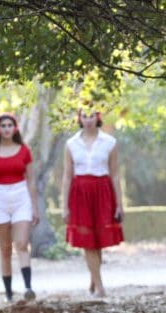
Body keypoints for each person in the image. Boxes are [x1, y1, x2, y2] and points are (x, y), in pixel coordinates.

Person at [62, 108, 124, 297]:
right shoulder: (71, 144)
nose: (88, 120)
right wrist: (64, 205)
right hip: (80, 192)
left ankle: (93, 277)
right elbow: (67, 176)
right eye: (84, 116)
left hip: (102, 190)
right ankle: (100, 287)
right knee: (87, 239)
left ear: (98, 117)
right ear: (79, 118)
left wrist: (120, 204)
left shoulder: (110, 143)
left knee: (99, 239)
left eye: (91, 116)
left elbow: (114, 174)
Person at [0, 112, 39, 302]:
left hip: (21, 196)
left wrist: (35, 208)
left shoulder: (24, 150)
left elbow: (30, 181)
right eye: (3, 126)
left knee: (21, 244)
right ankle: (9, 293)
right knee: (5, 249)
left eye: (9, 125)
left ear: (15, 128)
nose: (6, 129)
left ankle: (28, 288)